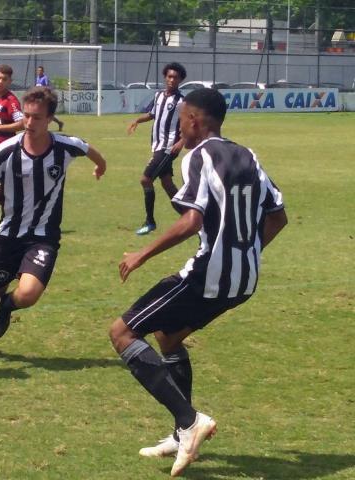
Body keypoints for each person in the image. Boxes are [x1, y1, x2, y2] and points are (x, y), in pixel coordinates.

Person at [109, 88, 287, 477]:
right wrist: (248, 252)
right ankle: (180, 433)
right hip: (245, 279)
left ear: (194, 120)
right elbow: (278, 217)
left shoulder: (198, 157)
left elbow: (190, 221)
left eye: (181, 119)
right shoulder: (248, 155)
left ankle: (190, 421)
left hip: (210, 274)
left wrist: (141, 255)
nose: (179, 127)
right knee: (168, 338)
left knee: (122, 333)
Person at [0, 86, 107, 355]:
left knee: (28, 293)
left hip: (44, 236)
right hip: (9, 235)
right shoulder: (6, 150)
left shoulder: (64, 146)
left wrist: (101, 165)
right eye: (26, 116)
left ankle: (6, 307)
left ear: (50, 119)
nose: (28, 122)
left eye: (36, 117)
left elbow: (89, 149)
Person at [127, 62, 187, 235]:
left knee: (145, 180)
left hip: (168, 148)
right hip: (157, 146)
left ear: (180, 80)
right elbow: (152, 114)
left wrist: (181, 142)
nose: (171, 80)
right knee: (167, 183)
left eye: (175, 77)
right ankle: (189, 216)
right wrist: (137, 120)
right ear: (165, 77)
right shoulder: (158, 96)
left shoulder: (182, 102)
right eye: (169, 76)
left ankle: (150, 221)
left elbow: (188, 124)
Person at [35, 65, 64, 131]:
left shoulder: (45, 78)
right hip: (39, 97)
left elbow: (47, 86)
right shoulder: (37, 78)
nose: (39, 71)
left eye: (40, 70)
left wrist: (46, 94)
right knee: (44, 112)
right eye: (38, 70)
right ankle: (59, 123)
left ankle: (42, 126)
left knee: (45, 112)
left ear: (43, 71)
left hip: (44, 97)